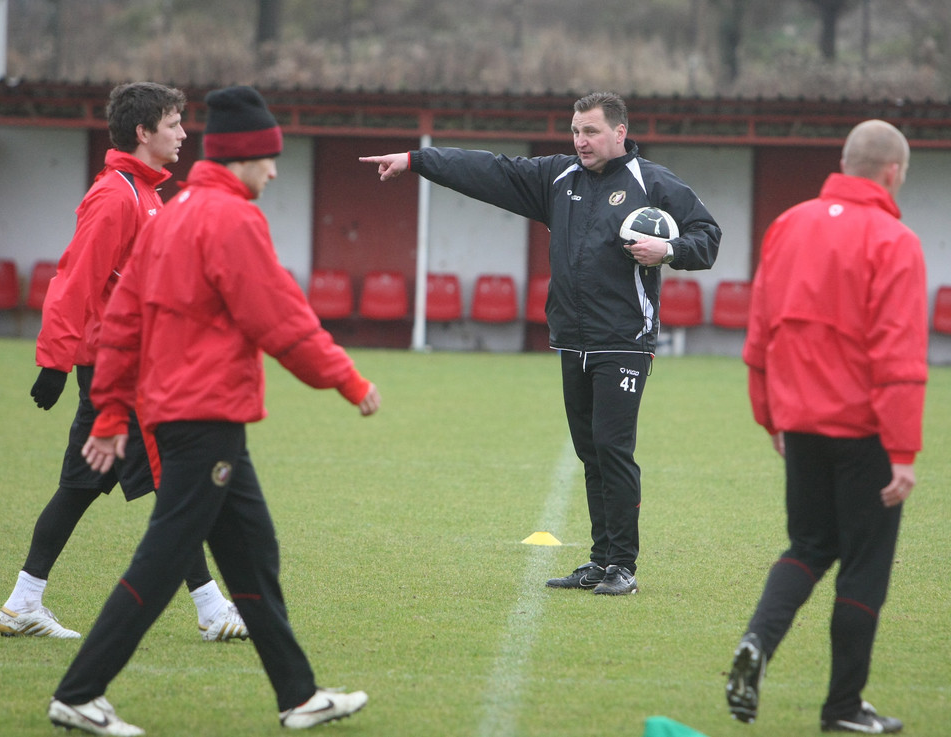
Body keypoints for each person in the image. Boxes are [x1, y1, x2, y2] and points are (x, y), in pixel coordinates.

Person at [47, 85, 380, 736]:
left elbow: (121, 322)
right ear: (246, 155)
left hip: (185, 415)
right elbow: (279, 318)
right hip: (204, 419)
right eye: (270, 157)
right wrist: (347, 379)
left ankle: (300, 695)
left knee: (255, 552)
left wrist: (113, 411)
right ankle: (79, 692)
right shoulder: (230, 219)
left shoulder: (173, 210)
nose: (276, 170)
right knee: (165, 556)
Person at [361, 91, 720, 595]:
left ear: (619, 133)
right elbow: (489, 171)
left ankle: (623, 567)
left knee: (614, 450)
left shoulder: (653, 183)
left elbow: (708, 237)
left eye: (590, 131)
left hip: (623, 341)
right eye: (575, 131)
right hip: (572, 339)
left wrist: (670, 249)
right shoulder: (559, 177)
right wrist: (417, 161)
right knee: (590, 452)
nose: (580, 141)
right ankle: (600, 562)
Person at [0, 82, 246, 643]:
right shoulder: (117, 196)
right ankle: (211, 611)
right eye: (174, 123)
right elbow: (75, 279)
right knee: (178, 482)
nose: (185, 133)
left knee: (85, 487)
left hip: (137, 367)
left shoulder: (148, 193)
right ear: (143, 132)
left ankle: (21, 603)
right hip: (121, 370)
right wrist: (54, 363)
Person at [725, 120, 928, 734]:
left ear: (844, 161)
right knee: (864, 565)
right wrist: (903, 449)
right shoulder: (895, 240)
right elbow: (898, 354)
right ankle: (842, 709)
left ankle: (758, 641)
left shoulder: (788, 224)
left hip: (801, 426)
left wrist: (771, 418)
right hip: (864, 432)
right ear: (892, 171)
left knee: (809, 546)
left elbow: (759, 334)